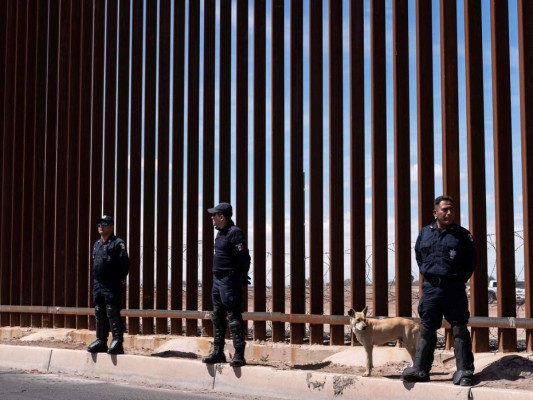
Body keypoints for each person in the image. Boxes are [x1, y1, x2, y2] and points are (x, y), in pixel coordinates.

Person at [402, 196, 476, 386]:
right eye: (444, 209)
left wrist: (456, 279)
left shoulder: (462, 235)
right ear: (435, 212)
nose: (449, 213)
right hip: (431, 289)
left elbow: (471, 263)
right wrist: (431, 276)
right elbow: (419, 257)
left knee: (459, 328)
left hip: (454, 288)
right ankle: (420, 369)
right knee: (427, 328)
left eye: (451, 209)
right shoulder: (425, 233)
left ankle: (464, 371)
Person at [202, 202, 251, 367]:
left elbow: (244, 258)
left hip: (229, 280)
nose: (212, 218)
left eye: (214, 215)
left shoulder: (234, 233)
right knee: (217, 316)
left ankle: (238, 354)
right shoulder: (220, 234)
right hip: (218, 280)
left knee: (234, 316)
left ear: (221, 217)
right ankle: (218, 352)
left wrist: (241, 276)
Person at [87, 215, 130, 355]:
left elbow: (124, 264)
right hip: (98, 284)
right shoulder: (97, 244)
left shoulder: (118, 243)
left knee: (112, 311)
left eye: (104, 224)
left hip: (111, 284)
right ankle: (101, 340)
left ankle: (117, 341)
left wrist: (119, 279)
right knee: (99, 311)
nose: (101, 226)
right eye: (99, 223)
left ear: (111, 226)